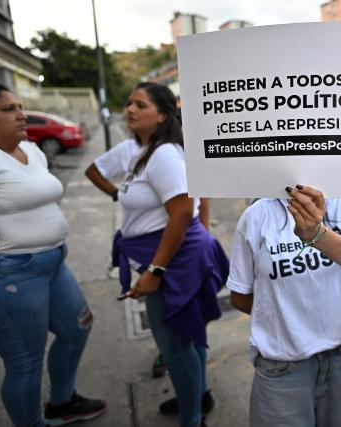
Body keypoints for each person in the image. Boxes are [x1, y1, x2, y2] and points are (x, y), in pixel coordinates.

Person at [85, 82, 228, 427]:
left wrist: (155, 270)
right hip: (174, 257)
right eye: (129, 103)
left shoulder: (164, 154)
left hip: (173, 262)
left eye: (140, 105)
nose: (130, 109)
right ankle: (197, 398)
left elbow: (181, 212)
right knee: (185, 337)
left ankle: (192, 418)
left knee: (176, 345)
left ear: (162, 115)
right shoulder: (148, 151)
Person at [0, 83, 106, 426]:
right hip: (14, 272)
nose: (21, 114)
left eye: (20, 106)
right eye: (8, 109)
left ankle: (62, 402)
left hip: (55, 261)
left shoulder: (33, 150)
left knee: (78, 327)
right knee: (26, 362)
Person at [228, 186, 341, 427]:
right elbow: (240, 295)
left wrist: (316, 234)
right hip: (283, 368)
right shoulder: (257, 216)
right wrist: (289, 320)